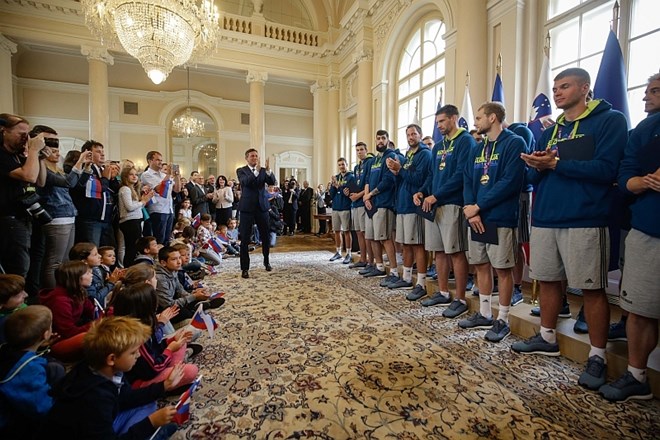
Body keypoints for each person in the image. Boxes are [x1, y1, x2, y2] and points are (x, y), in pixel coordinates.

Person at [512, 68, 628, 391]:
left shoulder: (610, 120)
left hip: (586, 217)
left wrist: (557, 164)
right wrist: (534, 164)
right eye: (555, 88)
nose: (557, 93)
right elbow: (534, 180)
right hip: (546, 217)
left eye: (564, 86)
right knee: (547, 280)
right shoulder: (549, 132)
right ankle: (547, 336)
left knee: (591, 289)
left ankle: (598, 355)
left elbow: (607, 170)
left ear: (585, 88)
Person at [598, 73, 660, 402]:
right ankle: (637, 376)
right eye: (647, 90)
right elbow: (625, 177)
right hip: (648, 227)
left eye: (655, 91)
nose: (646, 97)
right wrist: (644, 182)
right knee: (639, 308)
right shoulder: (644, 130)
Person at [46, 316, 181, 439]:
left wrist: (164, 385)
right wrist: (151, 423)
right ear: (111, 359)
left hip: (106, 420)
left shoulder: (107, 371)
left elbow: (126, 397)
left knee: (149, 404)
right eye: (133, 352)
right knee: (149, 415)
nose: (139, 355)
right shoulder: (94, 399)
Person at [459, 101, 525, 343]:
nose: (475, 122)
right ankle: (485, 313)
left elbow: (509, 181)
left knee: (503, 269)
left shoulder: (514, 142)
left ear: (493, 118)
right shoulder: (478, 148)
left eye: (479, 117)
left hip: (500, 216)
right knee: (481, 266)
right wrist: (471, 209)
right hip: (477, 216)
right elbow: (468, 179)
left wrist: (479, 206)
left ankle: (503, 319)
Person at [416, 105, 476, 317]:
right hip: (434, 204)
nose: (439, 125)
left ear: (454, 118)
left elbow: (461, 174)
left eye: (442, 121)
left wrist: (437, 195)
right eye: (437, 122)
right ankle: (442, 292)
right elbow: (432, 175)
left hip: (452, 203)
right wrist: (423, 192)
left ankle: (460, 298)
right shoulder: (439, 146)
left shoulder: (466, 140)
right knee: (439, 251)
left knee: (456, 252)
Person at [34, 125, 92, 289]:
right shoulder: (42, 168)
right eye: (53, 151)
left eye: (57, 151)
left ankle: (63, 290)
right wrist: (79, 161)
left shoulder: (57, 170)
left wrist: (86, 167)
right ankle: (52, 294)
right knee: (54, 261)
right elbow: (68, 182)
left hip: (68, 214)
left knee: (65, 259)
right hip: (56, 216)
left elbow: (74, 184)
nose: (58, 153)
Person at [111, 283, 199, 389]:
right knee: (191, 371)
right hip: (142, 381)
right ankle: (171, 381)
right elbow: (152, 370)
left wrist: (171, 341)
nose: (156, 307)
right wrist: (170, 350)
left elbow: (154, 347)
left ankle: (174, 370)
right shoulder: (135, 336)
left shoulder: (141, 324)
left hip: (154, 364)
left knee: (182, 339)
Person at [0, 305, 64, 438]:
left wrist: (41, 346)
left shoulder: (5, 349)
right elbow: (42, 409)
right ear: (46, 334)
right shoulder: (29, 370)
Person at [386, 124, 432, 300]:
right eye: (408, 134)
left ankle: (421, 283)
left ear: (420, 135)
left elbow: (419, 178)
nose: (410, 137)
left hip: (415, 205)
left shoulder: (425, 154)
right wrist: (397, 172)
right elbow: (405, 178)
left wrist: (401, 169)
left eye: (414, 134)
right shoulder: (408, 155)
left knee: (417, 244)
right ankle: (406, 277)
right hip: (403, 204)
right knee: (406, 243)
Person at [0, 113, 47, 278]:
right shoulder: (2, 155)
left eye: (27, 134)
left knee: (29, 263)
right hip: (8, 220)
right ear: (3, 131)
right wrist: (34, 149)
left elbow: (40, 181)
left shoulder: (17, 155)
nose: (25, 138)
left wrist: (39, 157)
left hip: (22, 217)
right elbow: (29, 176)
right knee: (17, 268)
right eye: (21, 133)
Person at [38, 261, 98, 362]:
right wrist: (96, 324)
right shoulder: (59, 300)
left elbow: (92, 311)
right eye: (87, 273)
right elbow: (68, 332)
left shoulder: (78, 291)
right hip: (55, 342)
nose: (92, 275)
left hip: (69, 334)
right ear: (76, 277)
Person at [361, 130, 398, 281]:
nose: (380, 141)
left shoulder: (390, 156)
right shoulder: (375, 160)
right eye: (378, 139)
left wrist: (371, 194)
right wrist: (366, 197)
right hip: (371, 204)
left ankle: (394, 271)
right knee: (372, 237)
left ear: (388, 140)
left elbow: (388, 181)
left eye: (383, 138)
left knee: (385, 238)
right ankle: (379, 266)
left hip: (383, 203)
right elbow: (368, 180)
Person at [70, 140, 120, 248]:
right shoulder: (86, 169)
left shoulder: (103, 169)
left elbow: (115, 190)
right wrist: (105, 178)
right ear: (88, 154)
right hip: (91, 220)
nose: (102, 154)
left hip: (106, 219)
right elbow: (97, 189)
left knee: (109, 251)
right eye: (98, 151)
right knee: (92, 250)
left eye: (103, 151)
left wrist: (113, 178)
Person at [236, 148, 277, 279]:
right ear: (247, 158)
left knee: (265, 236)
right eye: (252, 156)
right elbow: (245, 182)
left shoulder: (263, 170)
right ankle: (245, 268)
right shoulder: (241, 170)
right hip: (247, 208)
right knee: (245, 239)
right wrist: (257, 171)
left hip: (262, 207)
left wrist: (269, 171)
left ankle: (266, 261)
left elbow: (271, 182)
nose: (255, 158)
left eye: (256, 156)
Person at [141, 151, 180, 246]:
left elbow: (177, 189)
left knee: (167, 239)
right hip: (157, 210)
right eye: (157, 160)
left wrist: (177, 176)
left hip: (169, 209)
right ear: (150, 161)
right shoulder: (146, 175)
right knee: (159, 239)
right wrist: (168, 175)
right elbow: (159, 189)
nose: (160, 162)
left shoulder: (163, 175)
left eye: (161, 160)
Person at [119, 166, 154, 267]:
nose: (134, 176)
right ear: (125, 176)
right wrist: (143, 201)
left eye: (136, 174)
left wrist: (144, 200)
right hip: (130, 221)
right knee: (132, 248)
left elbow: (137, 207)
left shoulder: (132, 189)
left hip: (135, 220)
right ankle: (129, 269)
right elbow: (129, 207)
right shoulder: (125, 189)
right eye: (131, 174)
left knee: (134, 248)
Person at [347, 143, 372, 269]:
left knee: (365, 232)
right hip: (355, 203)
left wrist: (359, 195)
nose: (359, 152)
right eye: (357, 150)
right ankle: (362, 258)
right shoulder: (357, 167)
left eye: (362, 149)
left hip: (363, 201)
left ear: (366, 150)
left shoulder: (369, 163)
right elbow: (356, 184)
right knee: (358, 232)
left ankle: (369, 259)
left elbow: (369, 183)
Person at [328, 158, 354, 264]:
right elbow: (332, 195)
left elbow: (348, 193)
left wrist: (339, 186)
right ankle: (338, 251)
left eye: (343, 164)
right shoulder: (336, 177)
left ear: (346, 164)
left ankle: (348, 253)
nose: (341, 166)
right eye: (339, 165)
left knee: (346, 231)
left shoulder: (351, 177)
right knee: (337, 231)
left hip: (345, 207)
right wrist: (333, 186)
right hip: (336, 207)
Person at [0, 274, 28, 344]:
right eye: (18, 295)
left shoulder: (20, 306)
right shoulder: (4, 325)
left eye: (23, 290)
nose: (26, 294)